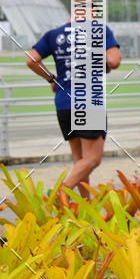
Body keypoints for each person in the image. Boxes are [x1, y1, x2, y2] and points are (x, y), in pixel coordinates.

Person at [26, 17, 121, 199]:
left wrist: (51, 78)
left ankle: (84, 207)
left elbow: (31, 60)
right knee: (93, 159)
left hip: (64, 102)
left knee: (80, 160)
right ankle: (61, 192)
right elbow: (114, 61)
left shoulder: (54, 35)